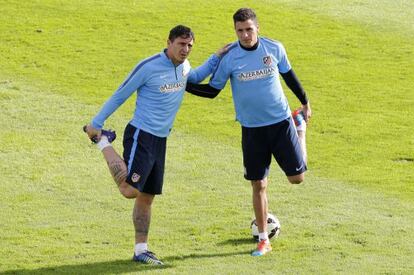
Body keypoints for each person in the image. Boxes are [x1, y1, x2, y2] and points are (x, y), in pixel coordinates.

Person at [84, 25, 227, 265]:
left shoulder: (184, 67)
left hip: (160, 140)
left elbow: (195, 77)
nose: (185, 50)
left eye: (190, 45)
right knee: (130, 190)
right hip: (142, 134)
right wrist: (96, 123)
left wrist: (217, 57)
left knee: (147, 197)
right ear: (169, 42)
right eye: (181, 44)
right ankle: (103, 141)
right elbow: (121, 94)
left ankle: (141, 250)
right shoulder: (148, 66)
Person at [186, 8, 311, 256]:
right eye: (240, 30)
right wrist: (182, 86)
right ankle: (263, 239)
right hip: (252, 130)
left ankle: (301, 130)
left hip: (281, 123)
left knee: (297, 179)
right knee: (258, 184)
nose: (245, 35)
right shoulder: (230, 57)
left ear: (257, 28)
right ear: (235, 30)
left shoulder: (274, 48)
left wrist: (305, 102)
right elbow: (212, 90)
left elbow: (289, 76)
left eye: (249, 29)